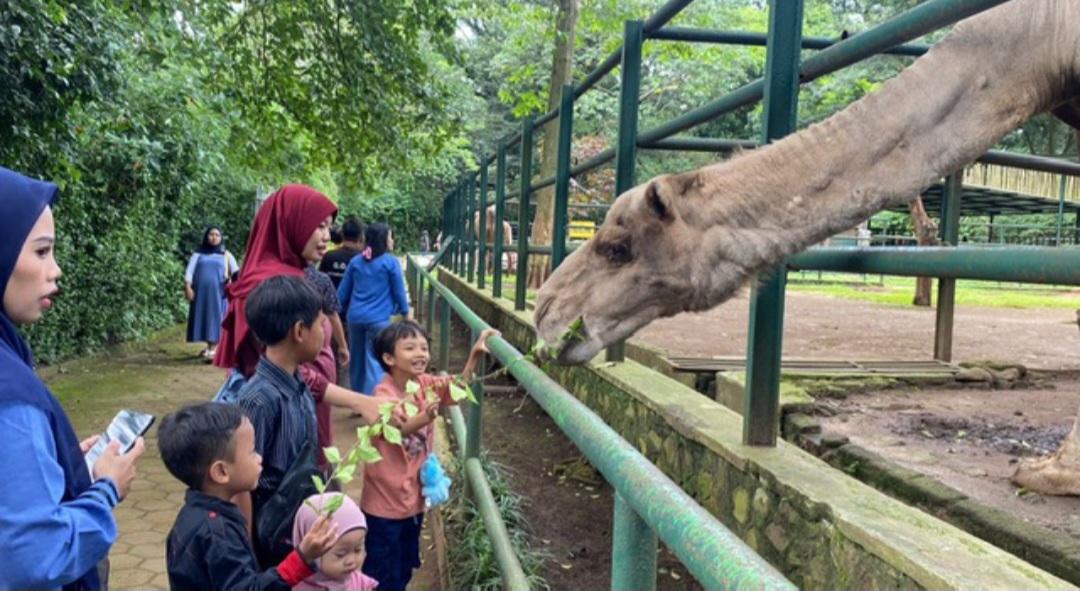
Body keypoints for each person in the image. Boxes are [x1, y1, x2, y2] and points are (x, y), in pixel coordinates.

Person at [0, 167, 144, 590]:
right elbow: (36, 557)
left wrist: (59, 466)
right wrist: (104, 489)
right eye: (42, 252)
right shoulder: (11, 396)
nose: (56, 270)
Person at [213, 185, 382, 424]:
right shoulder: (268, 286)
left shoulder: (296, 274)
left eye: (329, 226)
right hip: (284, 420)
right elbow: (280, 370)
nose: (326, 236)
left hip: (305, 407)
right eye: (319, 226)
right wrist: (359, 401)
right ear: (290, 223)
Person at [361, 320, 496, 590]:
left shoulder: (424, 383)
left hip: (412, 500)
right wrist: (427, 415)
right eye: (410, 348)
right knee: (382, 570)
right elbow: (397, 429)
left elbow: (457, 387)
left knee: (404, 565)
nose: (420, 353)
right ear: (389, 358)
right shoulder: (382, 394)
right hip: (384, 505)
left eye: (424, 347)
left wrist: (474, 355)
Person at [159, 402, 340, 591]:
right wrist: (302, 558)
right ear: (221, 472)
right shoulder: (218, 534)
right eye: (252, 451)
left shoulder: (191, 515)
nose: (259, 458)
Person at [233, 276, 326, 546]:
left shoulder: (299, 384)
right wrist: (249, 551)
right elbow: (242, 487)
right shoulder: (259, 400)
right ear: (299, 331)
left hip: (297, 524)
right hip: (271, 534)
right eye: (320, 324)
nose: (324, 332)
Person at [338, 223, 409, 396]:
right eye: (390, 237)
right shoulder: (391, 263)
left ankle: (358, 400)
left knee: (357, 360)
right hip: (378, 320)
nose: (392, 240)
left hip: (354, 319)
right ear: (384, 240)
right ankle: (377, 400)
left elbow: (341, 295)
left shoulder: (356, 262)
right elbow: (399, 292)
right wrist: (406, 315)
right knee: (376, 360)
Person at [302, 263, 349, 471]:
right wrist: (343, 345)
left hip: (320, 356)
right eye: (319, 228)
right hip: (317, 357)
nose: (325, 237)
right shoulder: (318, 279)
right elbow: (332, 314)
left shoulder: (321, 277)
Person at [293, 493, 379, 591]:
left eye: (357, 550)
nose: (351, 561)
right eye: (341, 554)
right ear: (313, 550)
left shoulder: (362, 585)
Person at [184, 226, 238, 359]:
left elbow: (236, 272)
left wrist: (235, 287)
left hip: (218, 294)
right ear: (206, 236)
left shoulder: (226, 254)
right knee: (204, 317)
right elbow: (190, 271)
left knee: (216, 317)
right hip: (201, 294)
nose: (214, 237)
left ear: (221, 238)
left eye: (217, 235)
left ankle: (213, 349)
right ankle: (210, 347)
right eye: (211, 234)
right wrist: (188, 287)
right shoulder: (198, 254)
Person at [319, 217, 364, 291]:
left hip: (328, 301)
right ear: (360, 237)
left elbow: (319, 282)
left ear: (342, 234)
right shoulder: (362, 259)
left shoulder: (328, 256)